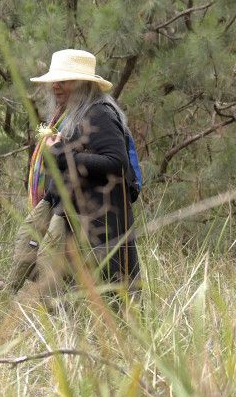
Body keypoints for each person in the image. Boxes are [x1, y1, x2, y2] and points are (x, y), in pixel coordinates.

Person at [8, 49, 140, 303]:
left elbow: (117, 163)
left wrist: (60, 154)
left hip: (99, 223)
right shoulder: (70, 113)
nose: (56, 86)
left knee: (112, 297)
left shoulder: (100, 113)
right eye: (54, 81)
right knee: (55, 283)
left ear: (84, 84)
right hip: (73, 213)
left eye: (64, 81)